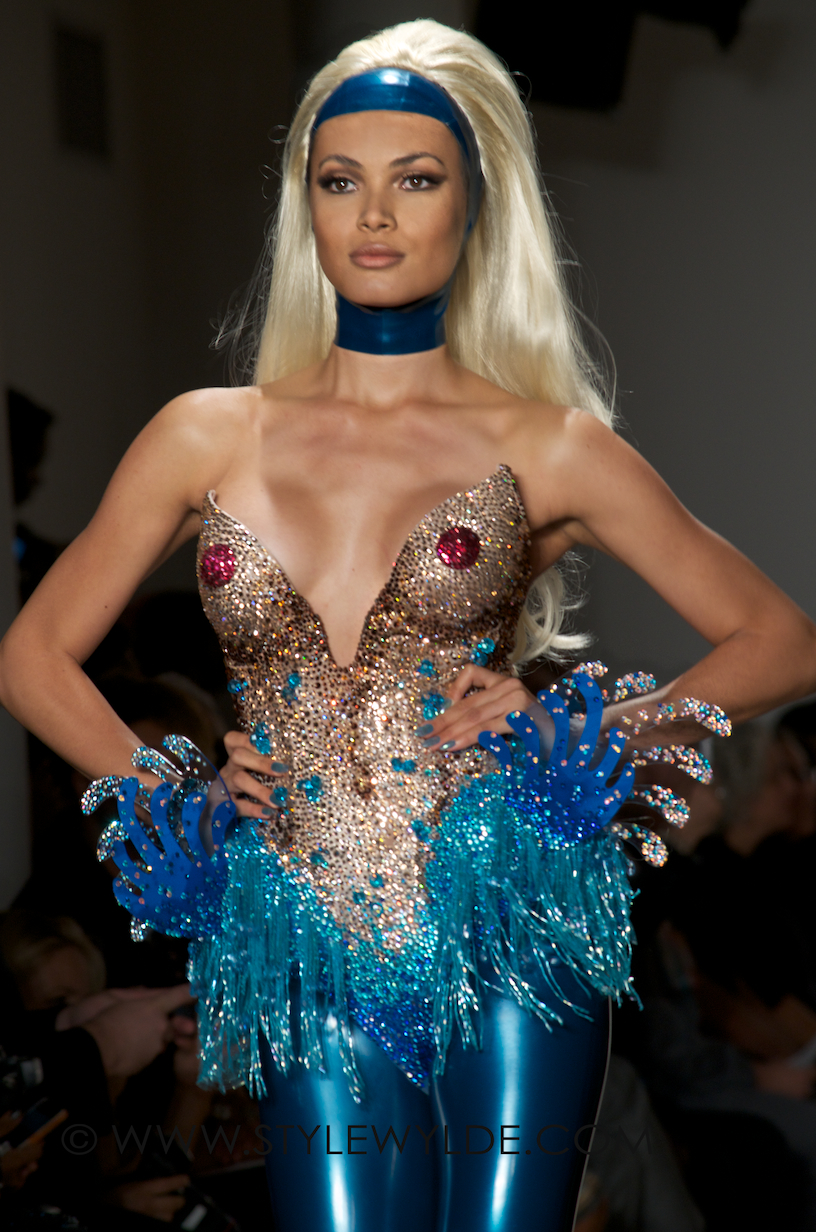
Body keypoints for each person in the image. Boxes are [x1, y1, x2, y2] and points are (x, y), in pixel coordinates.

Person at [1, 18, 815, 1232]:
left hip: (507, 913)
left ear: (472, 205)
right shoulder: (204, 434)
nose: (375, 213)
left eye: (416, 179)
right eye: (342, 181)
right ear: (308, 206)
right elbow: (31, 655)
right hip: (304, 923)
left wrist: (588, 731)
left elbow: (781, 638)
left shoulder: (548, 446)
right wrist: (171, 792)